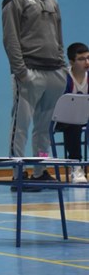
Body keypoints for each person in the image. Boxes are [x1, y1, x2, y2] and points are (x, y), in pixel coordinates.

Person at [2, 0, 67, 188]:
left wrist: (63, 66)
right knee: (21, 125)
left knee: (43, 127)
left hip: (54, 72)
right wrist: (20, 71)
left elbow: (58, 36)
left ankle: (40, 170)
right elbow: (10, 38)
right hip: (29, 71)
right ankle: (19, 172)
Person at [56, 42, 88, 183]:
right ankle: (76, 167)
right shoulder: (63, 78)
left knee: (78, 121)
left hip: (85, 118)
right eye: (81, 59)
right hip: (63, 120)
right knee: (74, 124)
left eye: (88, 58)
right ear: (72, 62)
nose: (86, 62)